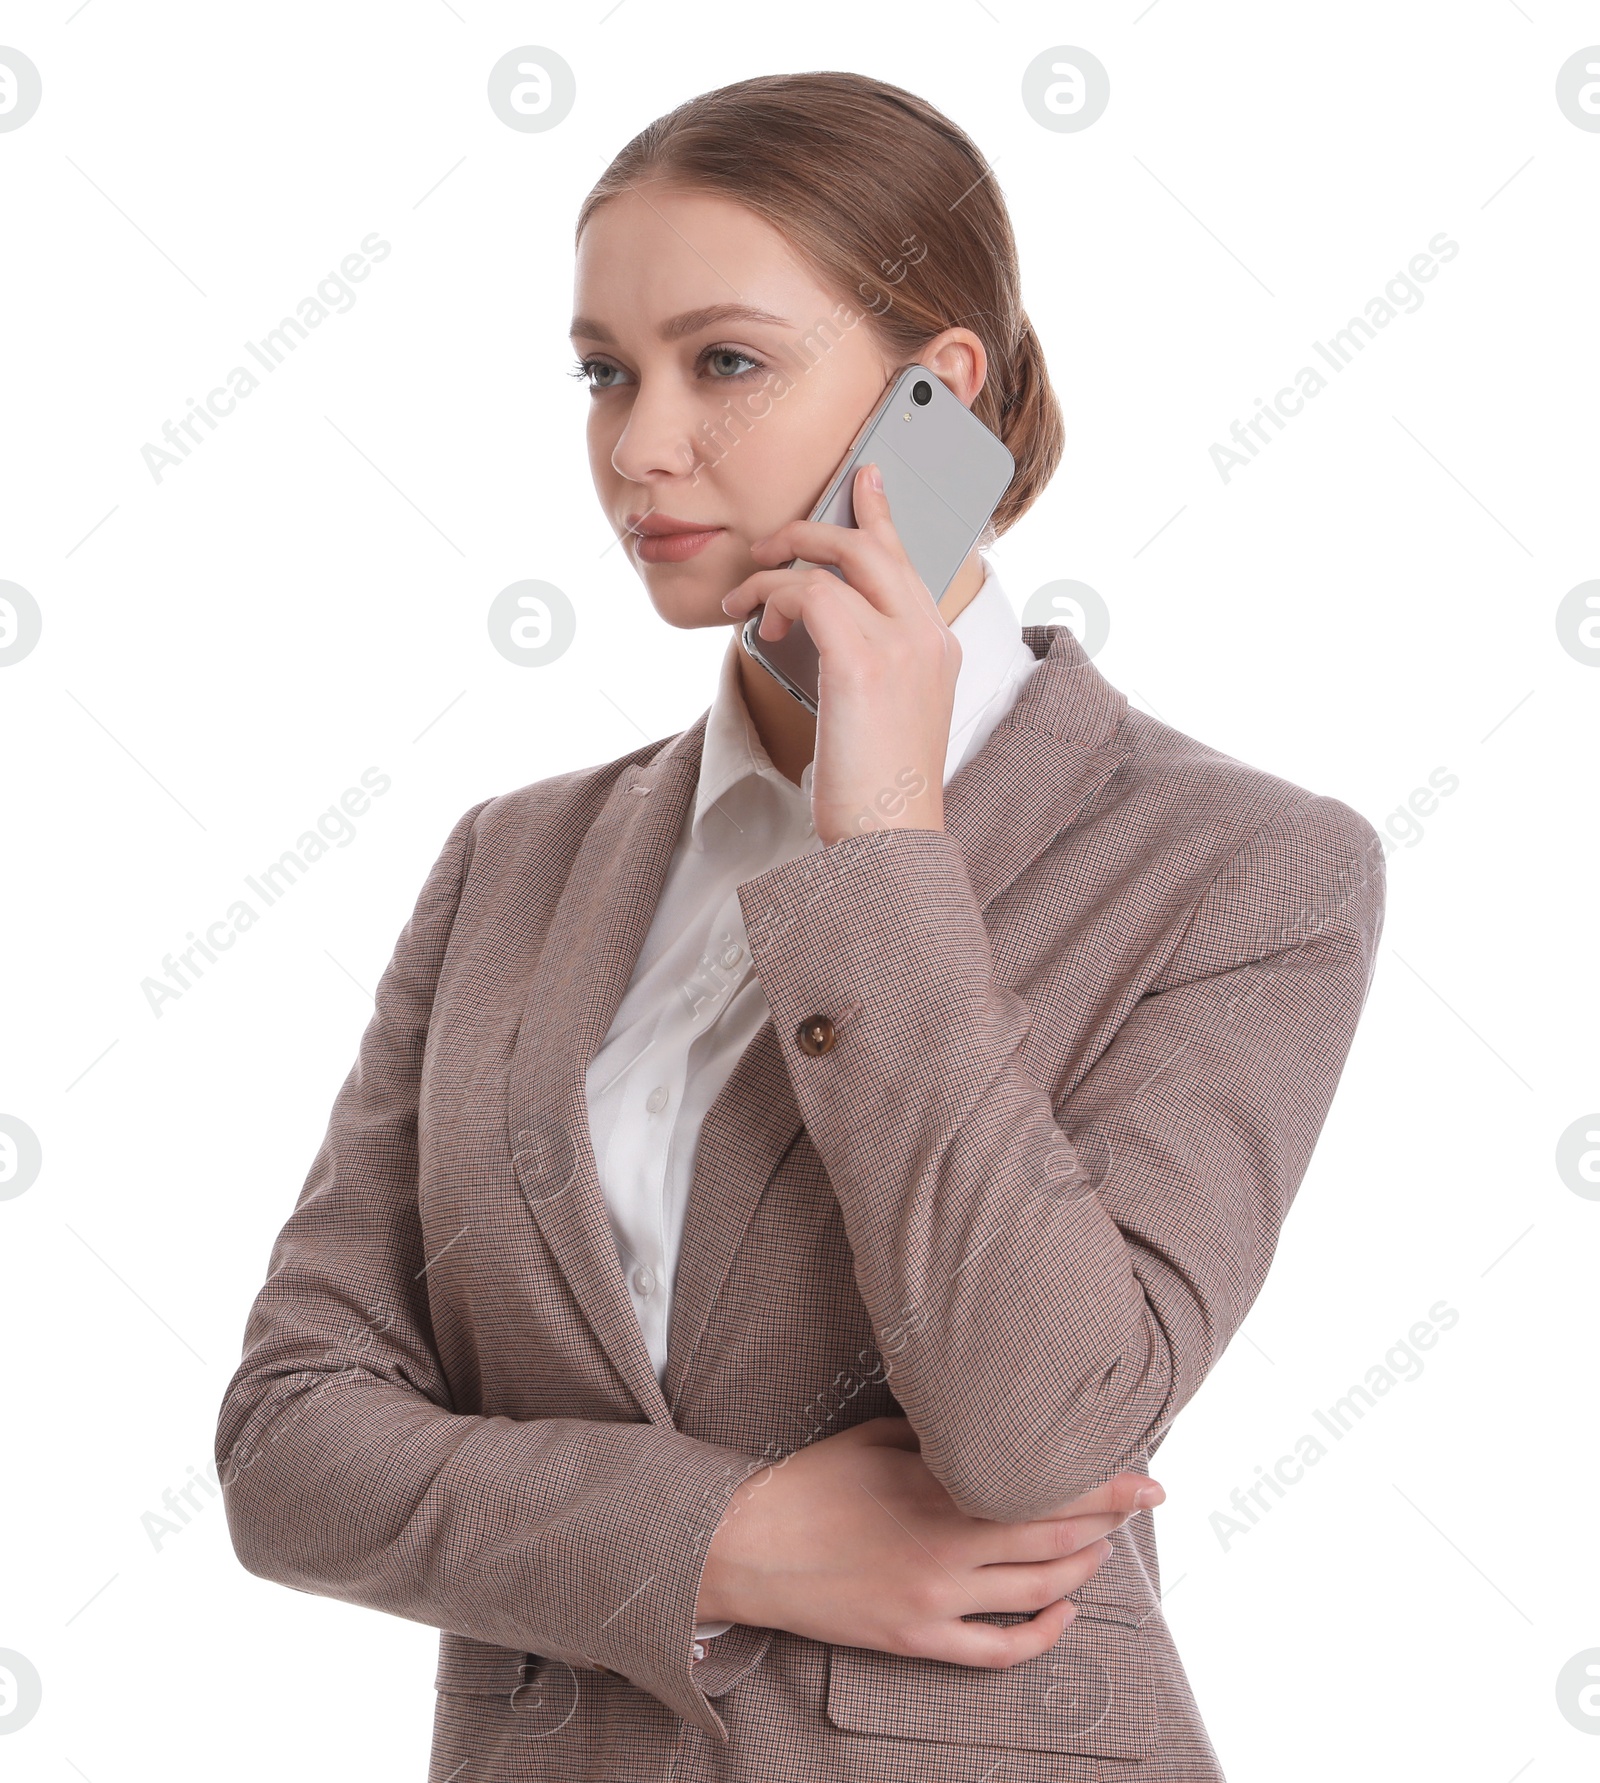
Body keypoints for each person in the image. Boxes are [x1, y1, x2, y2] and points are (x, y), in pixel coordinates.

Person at [216, 70, 1386, 1782]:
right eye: (606, 371)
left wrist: (885, 845)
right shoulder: (510, 865)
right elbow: (288, 1448)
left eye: (727, 363)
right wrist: (727, 1539)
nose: (638, 445)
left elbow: (1041, 1427)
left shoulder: (1245, 869)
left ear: (938, 394)